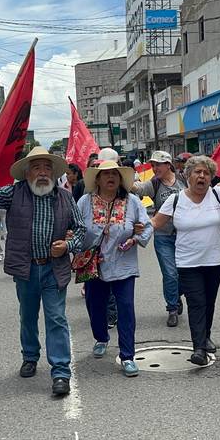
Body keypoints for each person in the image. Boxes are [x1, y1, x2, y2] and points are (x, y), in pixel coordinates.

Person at [0, 147, 86, 396]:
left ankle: (61, 372)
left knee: (56, 318)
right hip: (25, 268)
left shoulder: (65, 197)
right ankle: (30, 356)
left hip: (54, 269)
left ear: (54, 173)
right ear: (27, 172)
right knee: (28, 315)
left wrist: (68, 245)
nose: (43, 173)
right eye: (36, 167)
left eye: (47, 168)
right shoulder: (14, 192)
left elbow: (81, 230)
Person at [152, 156, 220, 366]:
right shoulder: (175, 199)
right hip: (187, 263)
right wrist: (132, 228)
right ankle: (199, 348)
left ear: (211, 177)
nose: (202, 176)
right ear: (188, 175)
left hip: (215, 261)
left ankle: (205, 336)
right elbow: (155, 222)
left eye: (206, 173)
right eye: (197, 172)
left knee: (209, 302)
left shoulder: (218, 195)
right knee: (196, 302)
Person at [77, 160, 153, 377]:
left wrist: (136, 238)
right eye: (106, 174)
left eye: (115, 174)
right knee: (95, 306)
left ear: (120, 179)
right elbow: (74, 227)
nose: (111, 177)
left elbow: (147, 226)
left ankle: (128, 355)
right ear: (98, 179)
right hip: (94, 264)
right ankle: (101, 337)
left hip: (124, 264)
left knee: (126, 308)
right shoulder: (84, 201)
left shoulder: (132, 201)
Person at [131, 150, 188, 327]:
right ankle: (172, 308)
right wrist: (124, 178)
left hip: (186, 236)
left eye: (158, 164)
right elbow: (138, 189)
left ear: (168, 164)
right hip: (163, 236)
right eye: (153, 165)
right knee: (170, 273)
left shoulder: (184, 180)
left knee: (185, 274)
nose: (154, 168)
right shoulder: (154, 184)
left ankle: (177, 294)